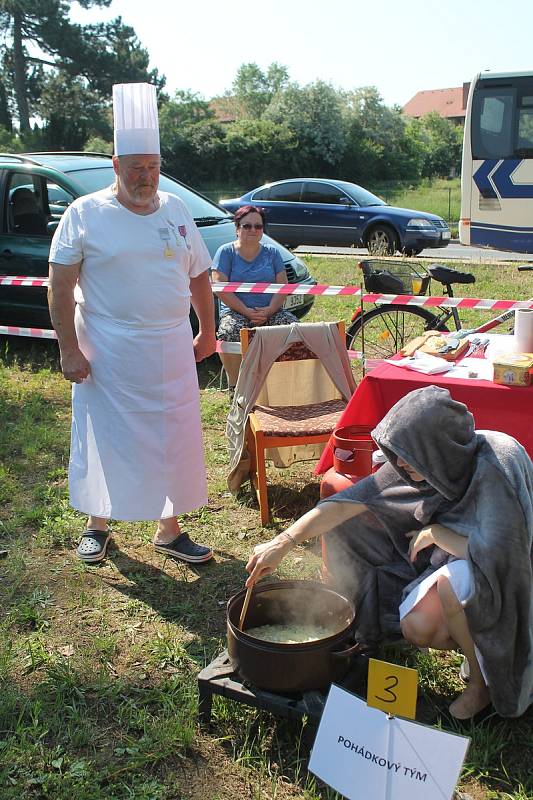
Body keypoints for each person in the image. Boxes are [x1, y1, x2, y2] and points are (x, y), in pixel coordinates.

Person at [246, 386, 533, 720]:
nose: (396, 463)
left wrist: (439, 534)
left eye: (405, 456)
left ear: (433, 449)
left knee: (450, 591)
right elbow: (343, 506)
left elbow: (506, 556)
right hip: (456, 559)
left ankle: (482, 684)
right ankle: (381, 636)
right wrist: (283, 542)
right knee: (417, 625)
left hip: (505, 570)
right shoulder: (423, 462)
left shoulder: (496, 465)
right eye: (394, 453)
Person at [47, 82, 216, 565]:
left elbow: (200, 274)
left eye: (154, 167)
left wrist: (205, 329)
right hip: (107, 345)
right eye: (137, 168)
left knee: (172, 432)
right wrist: (68, 348)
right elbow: (59, 287)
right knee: (105, 433)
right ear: (116, 166)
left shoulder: (177, 211)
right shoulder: (85, 214)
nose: (147, 177)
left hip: (169, 346)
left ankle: (170, 528)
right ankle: (97, 523)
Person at [211, 205, 298, 393]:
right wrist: (246, 311)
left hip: (271, 311)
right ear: (237, 228)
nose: (253, 230)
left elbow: (282, 287)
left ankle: (281, 385)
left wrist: (269, 311)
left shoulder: (273, 253)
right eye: (247, 226)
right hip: (236, 312)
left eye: (258, 226)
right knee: (228, 333)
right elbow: (220, 288)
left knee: (294, 329)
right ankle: (235, 386)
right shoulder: (225, 253)